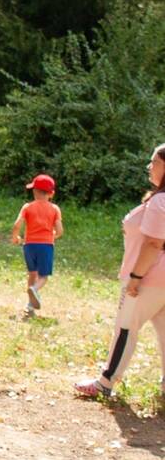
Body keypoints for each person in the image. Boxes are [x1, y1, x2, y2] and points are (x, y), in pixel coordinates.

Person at [75, 143, 165, 399]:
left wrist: (136, 277)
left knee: (126, 328)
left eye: (154, 162)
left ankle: (105, 382)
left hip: (149, 277)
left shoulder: (160, 201)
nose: (149, 166)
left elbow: (154, 243)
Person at [11, 174, 63, 314]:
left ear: (34, 192)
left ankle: (30, 304)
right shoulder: (54, 209)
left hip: (29, 245)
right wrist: (53, 235)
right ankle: (35, 290)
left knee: (32, 274)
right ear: (51, 194)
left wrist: (15, 237)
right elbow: (60, 230)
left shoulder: (27, 207)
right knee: (43, 276)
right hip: (46, 246)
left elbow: (17, 225)